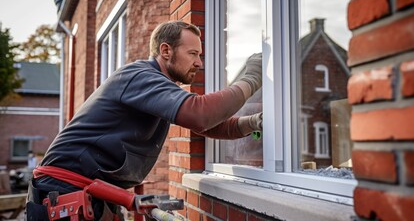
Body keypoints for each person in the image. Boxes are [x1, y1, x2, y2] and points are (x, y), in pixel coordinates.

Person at [26, 20, 262, 220]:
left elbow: (209, 124)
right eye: (193, 54)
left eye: (199, 55)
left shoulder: (159, 88)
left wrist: (252, 122)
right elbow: (200, 114)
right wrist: (251, 78)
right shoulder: (140, 76)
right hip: (62, 191)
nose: (199, 62)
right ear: (166, 50)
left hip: (89, 192)